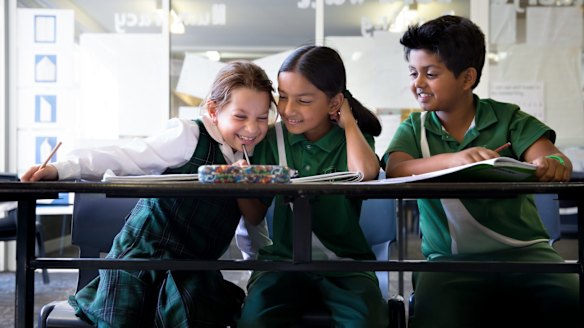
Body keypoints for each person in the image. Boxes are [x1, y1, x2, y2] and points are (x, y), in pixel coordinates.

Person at [21, 60, 276, 327]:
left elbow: (250, 227)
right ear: (213, 110)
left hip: (193, 271)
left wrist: (258, 272)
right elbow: (126, 156)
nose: (252, 129)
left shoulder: (251, 159)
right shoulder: (189, 136)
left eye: (261, 118)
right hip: (141, 260)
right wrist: (62, 169)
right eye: (240, 116)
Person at [383, 15, 579, 327]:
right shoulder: (415, 128)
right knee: (434, 314)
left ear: (467, 78)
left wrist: (552, 165)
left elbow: (553, 158)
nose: (417, 83)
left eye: (430, 74)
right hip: (448, 264)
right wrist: (453, 159)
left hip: (528, 256)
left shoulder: (509, 118)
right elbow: (397, 168)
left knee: (571, 298)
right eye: (413, 73)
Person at [237, 45, 389, 327]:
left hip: (346, 265)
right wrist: (241, 183)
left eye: (303, 101)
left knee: (367, 321)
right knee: (255, 320)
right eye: (282, 97)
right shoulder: (271, 140)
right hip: (282, 263)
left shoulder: (354, 141)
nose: (288, 110)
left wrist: (350, 123)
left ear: (334, 103)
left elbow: (366, 173)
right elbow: (255, 214)